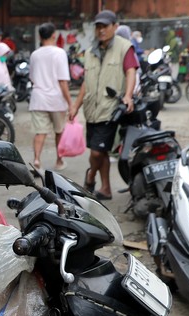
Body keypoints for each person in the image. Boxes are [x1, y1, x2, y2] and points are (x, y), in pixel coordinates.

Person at [69, 9, 138, 200]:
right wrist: (75, 105)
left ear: (115, 27)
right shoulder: (90, 52)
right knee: (102, 150)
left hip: (109, 109)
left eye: (105, 26)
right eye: (98, 26)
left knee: (98, 152)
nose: (101, 30)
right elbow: (86, 81)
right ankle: (106, 188)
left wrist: (129, 96)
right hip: (91, 109)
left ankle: (90, 178)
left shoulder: (125, 47)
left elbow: (131, 71)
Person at [29, 22, 73, 171]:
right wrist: (70, 103)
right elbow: (63, 82)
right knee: (59, 131)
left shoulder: (35, 54)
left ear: (40, 36)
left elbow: (32, 78)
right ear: (54, 35)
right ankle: (59, 160)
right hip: (56, 100)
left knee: (40, 132)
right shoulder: (60, 53)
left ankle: (36, 160)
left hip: (39, 98)